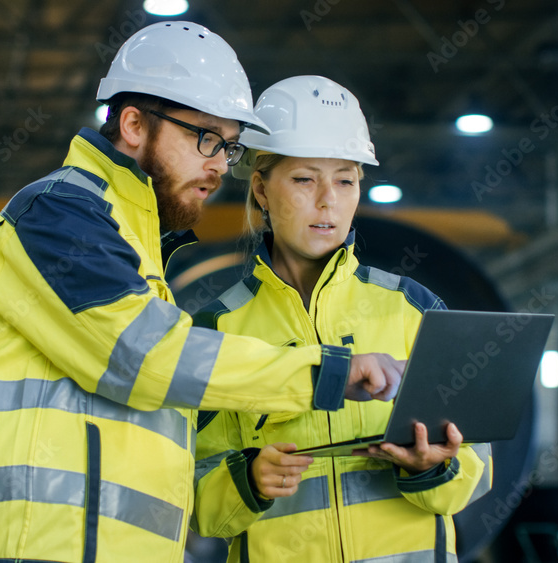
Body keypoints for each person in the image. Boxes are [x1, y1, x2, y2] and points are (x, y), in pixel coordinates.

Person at [0, 23, 406, 563]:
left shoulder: (138, 247)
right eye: (204, 138)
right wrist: (325, 372)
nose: (217, 165)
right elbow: (144, 356)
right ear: (134, 124)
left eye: (228, 147)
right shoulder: (56, 216)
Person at [191, 76, 493, 562]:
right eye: (305, 179)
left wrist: (429, 467)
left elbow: (472, 475)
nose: (328, 199)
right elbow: (194, 497)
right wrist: (247, 480)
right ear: (262, 190)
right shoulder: (217, 329)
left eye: (345, 179)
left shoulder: (414, 309)